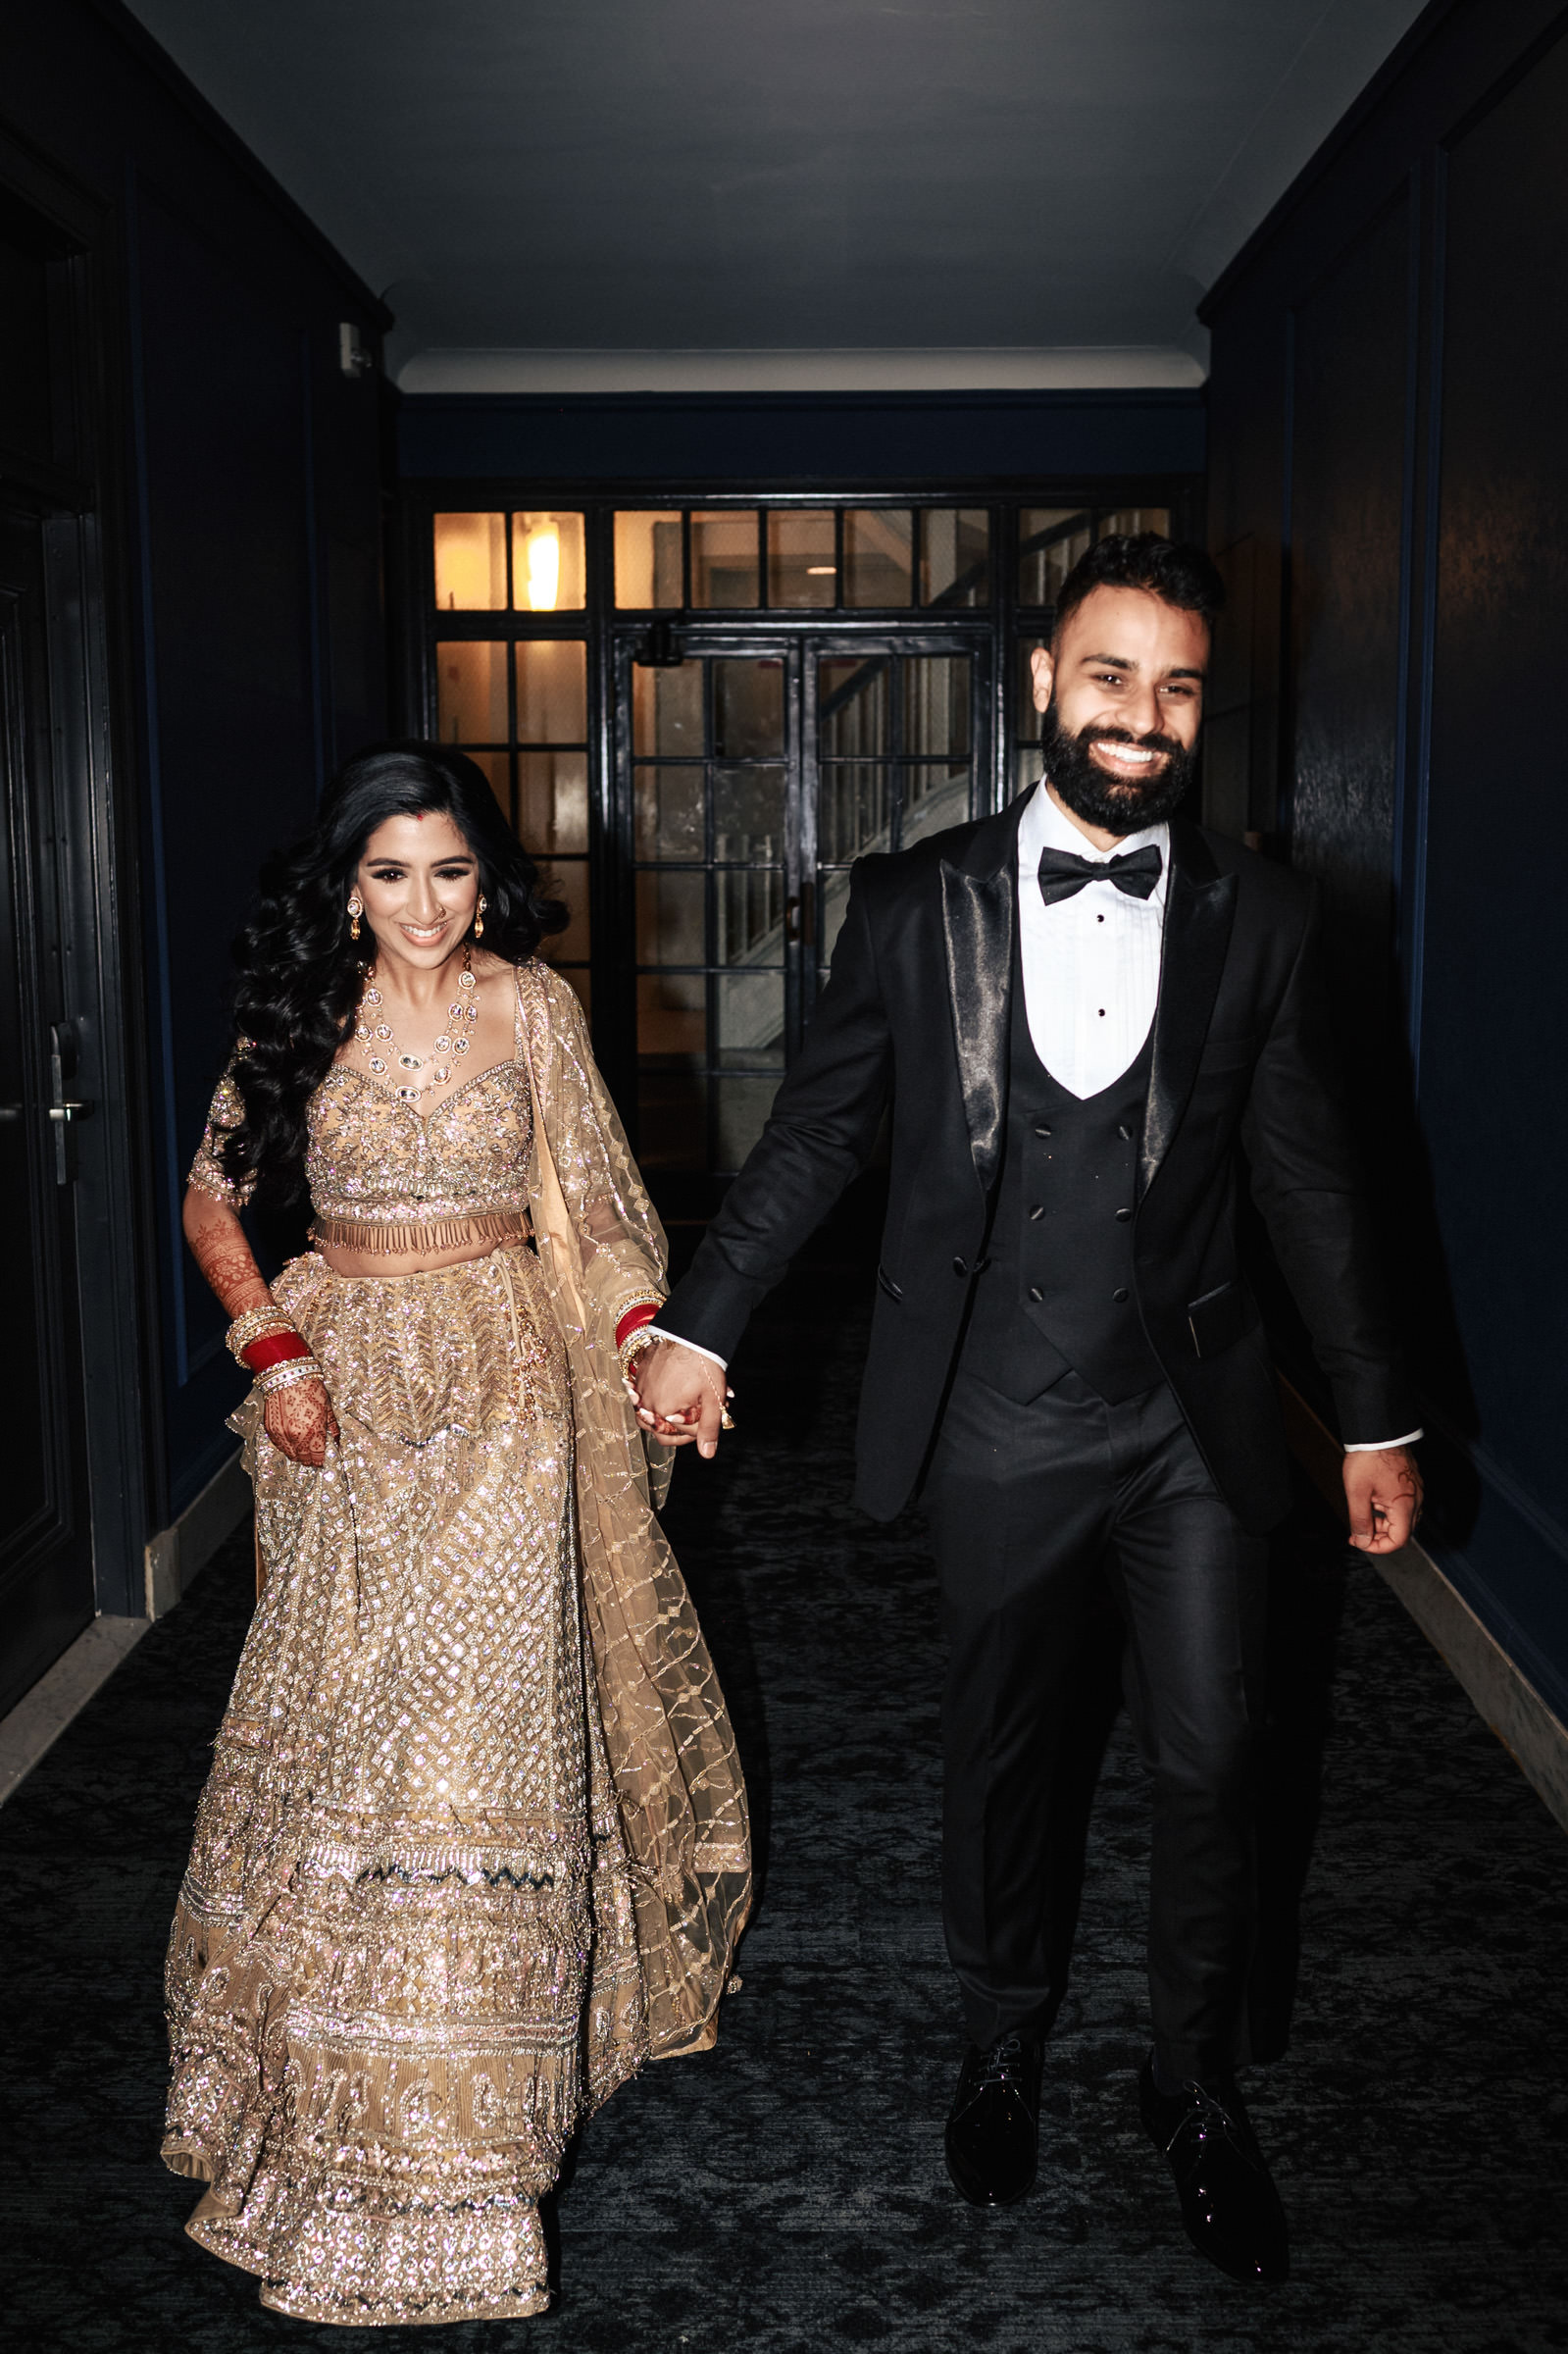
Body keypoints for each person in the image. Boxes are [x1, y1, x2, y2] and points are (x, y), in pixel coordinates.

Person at [632, 535, 1421, 2287]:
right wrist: (705, 1317)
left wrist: (1374, 1416)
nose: (1145, 717)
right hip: (993, 1412)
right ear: (1045, 689)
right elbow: (824, 1132)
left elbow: (1313, 1188)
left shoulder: (1268, 919)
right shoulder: (915, 905)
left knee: (1217, 1755)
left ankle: (1194, 2086)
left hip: (1190, 1426)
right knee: (1008, 1755)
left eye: (1180, 686)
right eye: (1114, 677)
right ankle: (1002, 2034)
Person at [163, 742, 749, 2327]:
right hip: (341, 1401)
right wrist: (268, 1350)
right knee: (346, 1733)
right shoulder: (299, 1014)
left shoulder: (534, 1010)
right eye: (389, 875)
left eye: (449, 873)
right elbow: (216, 1197)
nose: (424, 908)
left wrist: (644, 1342)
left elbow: (607, 1209)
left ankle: (474, 2160)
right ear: (346, 888)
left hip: (508, 1395)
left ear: (487, 877)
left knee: (474, 1741)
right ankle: (322, 2099)